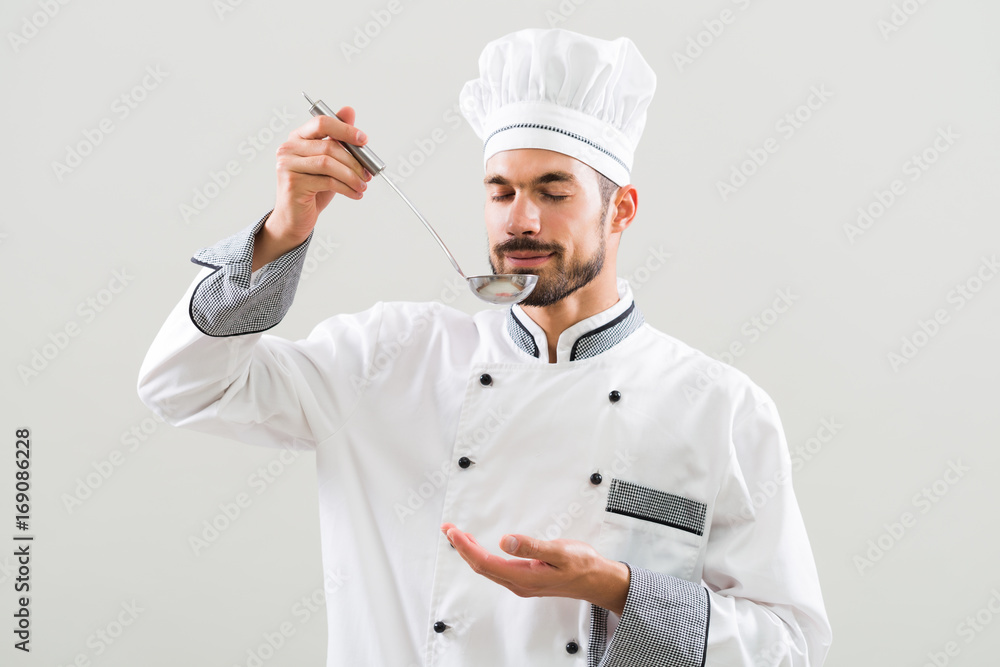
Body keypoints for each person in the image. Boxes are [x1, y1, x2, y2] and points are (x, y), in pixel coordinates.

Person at [138, 27, 831, 666]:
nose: (520, 219)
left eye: (552, 191)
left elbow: (789, 646)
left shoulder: (719, 407)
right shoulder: (388, 357)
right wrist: (280, 235)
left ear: (620, 209)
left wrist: (621, 590)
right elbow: (183, 386)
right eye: (500, 192)